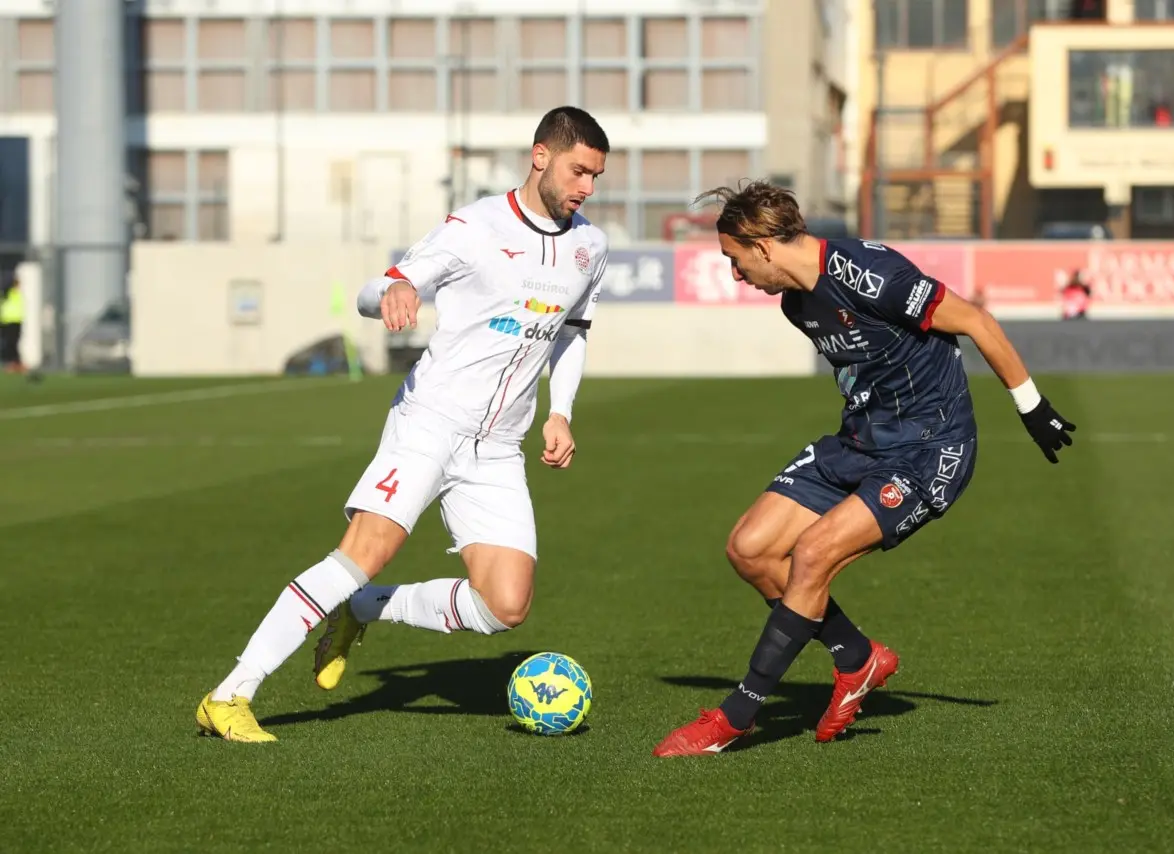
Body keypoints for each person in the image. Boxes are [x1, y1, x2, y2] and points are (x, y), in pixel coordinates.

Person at [196, 106, 612, 742]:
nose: (586, 187)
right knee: (364, 552)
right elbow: (378, 288)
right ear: (540, 156)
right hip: (431, 421)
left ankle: (363, 609)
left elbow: (573, 332)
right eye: (579, 171)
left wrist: (561, 410)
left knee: (506, 606)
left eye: (595, 177)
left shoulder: (589, 246)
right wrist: (395, 292)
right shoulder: (474, 227)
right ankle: (229, 695)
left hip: (499, 447)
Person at [652, 182, 1075, 757]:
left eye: (736, 258)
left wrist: (1033, 408)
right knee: (750, 549)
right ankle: (857, 657)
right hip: (861, 441)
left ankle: (736, 716)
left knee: (812, 555)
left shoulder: (867, 273)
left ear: (764, 245)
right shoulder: (796, 303)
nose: (735, 274)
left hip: (932, 449)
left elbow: (974, 320)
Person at [1, 274, 25, 374]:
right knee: (11, 344)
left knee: (12, 344)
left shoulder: (13, 294)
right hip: (8, 321)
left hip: (13, 321)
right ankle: (15, 363)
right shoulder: (10, 293)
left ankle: (15, 363)